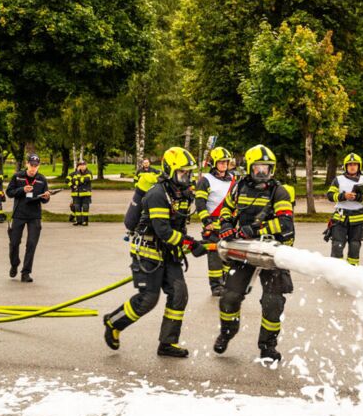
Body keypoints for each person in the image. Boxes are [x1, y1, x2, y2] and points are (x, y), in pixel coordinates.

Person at [102, 147, 206, 358]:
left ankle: (167, 343)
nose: (187, 177)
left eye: (189, 173)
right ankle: (114, 322)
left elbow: (179, 225)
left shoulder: (182, 194)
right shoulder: (157, 194)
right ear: (170, 171)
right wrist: (191, 244)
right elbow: (163, 231)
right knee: (148, 299)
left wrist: (198, 237)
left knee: (179, 294)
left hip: (169, 253)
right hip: (148, 252)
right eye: (182, 172)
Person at [214, 144, 295, 362]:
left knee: (273, 303)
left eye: (266, 168)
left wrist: (257, 230)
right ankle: (227, 332)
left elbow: (286, 224)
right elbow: (226, 209)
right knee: (229, 297)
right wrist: (225, 224)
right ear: (250, 167)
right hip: (245, 250)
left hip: (272, 253)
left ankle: (268, 346)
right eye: (258, 167)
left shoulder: (279, 192)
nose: (262, 172)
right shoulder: (238, 188)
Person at [194, 147, 235, 296]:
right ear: (214, 163)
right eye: (221, 162)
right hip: (213, 225)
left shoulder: (233, 179)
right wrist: (207, 222)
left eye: (226, 162)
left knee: (229, 256)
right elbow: (200, 203)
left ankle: (227, 283)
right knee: (215, 257)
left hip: (229, 225)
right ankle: (216, 286)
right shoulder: (205, 180)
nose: (224, 164)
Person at [5, 154, 51, 282]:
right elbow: (9, 193)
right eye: (31, 165)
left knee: (31, 244)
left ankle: (26, 272)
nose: (33, 168)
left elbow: (44, 199)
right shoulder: (17, 176)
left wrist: (46, 197)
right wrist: (22, 190)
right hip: (19, 214)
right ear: (27, 164)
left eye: (36, 166)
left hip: (34, 216)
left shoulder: (42, 179)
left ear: (38, 166)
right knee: (14, 243)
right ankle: (14, 263)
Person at [325, 153, 363, 265]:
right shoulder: (338, 180)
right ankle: (336, 270)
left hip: (358, 219)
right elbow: (330, 195)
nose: (352, 167)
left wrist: (358, 197)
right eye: (350, 164)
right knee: (337, 245)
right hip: (340, 218)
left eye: (355, 164)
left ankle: (353, 270)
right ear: (346, 166)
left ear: (359, 166)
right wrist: (343, 196)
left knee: (354, 246)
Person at [71, 160, 93, 226]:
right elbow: (74, 181)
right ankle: (78, 221)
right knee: (77, 208)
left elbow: (87, 179)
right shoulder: (77, 173)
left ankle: (85, 221)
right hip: (77, 194)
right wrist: (79, 178)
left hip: (86, 194)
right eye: (81, 165)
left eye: (83, 165)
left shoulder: (89, 172)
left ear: (86, 165)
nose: (82, 166)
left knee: (85, 208)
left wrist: (79, 179)